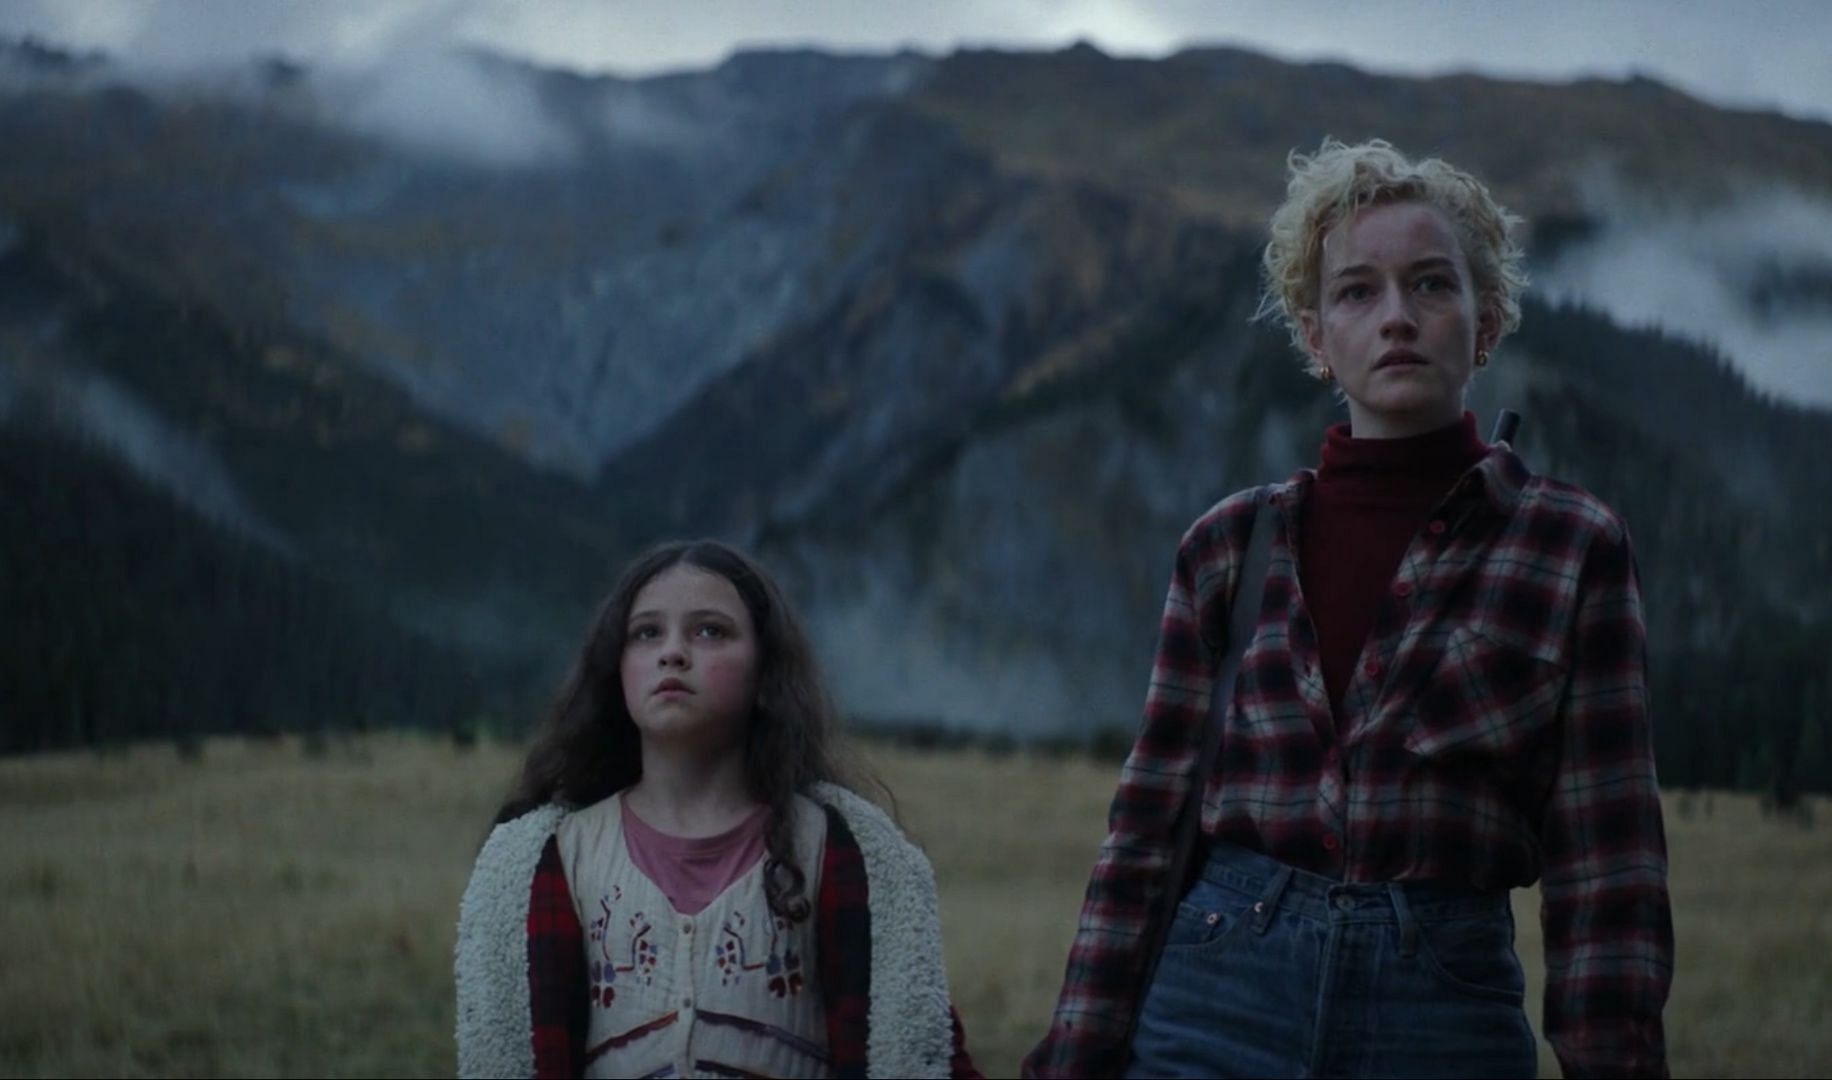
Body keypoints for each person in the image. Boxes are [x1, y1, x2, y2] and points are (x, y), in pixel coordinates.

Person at [1024, 139, 1673, 1079]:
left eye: (1431, 286)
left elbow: (1609, 866)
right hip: (1218, 995)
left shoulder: (1570, 546)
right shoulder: (1230, 546)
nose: (1397, 317)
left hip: (1442, 1011)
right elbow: (1148, 828)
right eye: (1358, 291)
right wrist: (1075, 1056)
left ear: (1485, 322)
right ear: (1315, 335)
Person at [456, 539, 980, 1079]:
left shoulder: (841, 849)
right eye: (647, 633)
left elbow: (914, 1045)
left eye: (710, 631)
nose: (673, 652)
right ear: (618, 670)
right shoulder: (555, 858)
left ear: (764, 674)